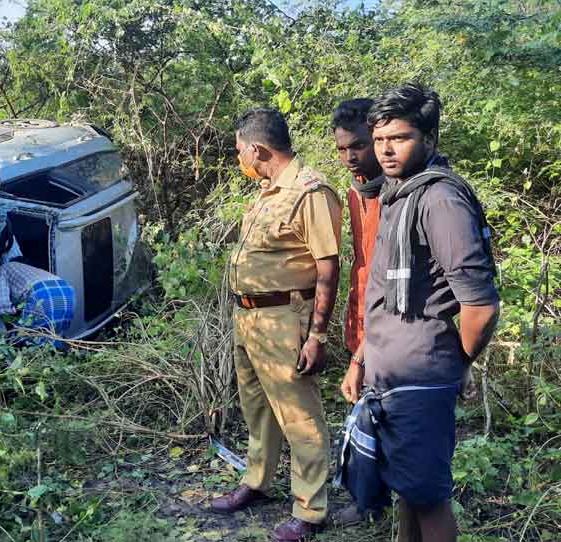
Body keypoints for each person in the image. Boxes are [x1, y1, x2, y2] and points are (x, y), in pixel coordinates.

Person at [337, 83, 499, 542]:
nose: (386, 150)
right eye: (380, 139)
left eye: (400, 138)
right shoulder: (398, 193)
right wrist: (362, 358)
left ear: (429, 138)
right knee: (408, 489)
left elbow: (480, 305)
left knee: (428, 498)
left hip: (420, 376)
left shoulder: (439, 200)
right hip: (389, 372)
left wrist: (459, 362)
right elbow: (386, 295)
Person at [210, 108, 342, 542]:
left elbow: (328, 266)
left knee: (299, 416)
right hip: (248, 319)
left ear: (257, 149)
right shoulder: (268, 192)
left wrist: (317, 334)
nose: (239, 158)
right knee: (258, 410)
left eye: (238, 151)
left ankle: (309, 510)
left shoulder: (311, 192)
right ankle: (257, 481)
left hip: (285, 319)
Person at [330, 98, 386, 526]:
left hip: (390, 326)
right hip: (362, 313)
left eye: (359, 146)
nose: (351, 156)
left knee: (387, 411)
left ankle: (381, 501)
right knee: (366, 411)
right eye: (343, 149)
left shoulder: (399, 192)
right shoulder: (356, 191)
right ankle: (370, 500)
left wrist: (362, 352)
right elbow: (362, 261)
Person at [0, 224, 75, 347]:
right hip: (68, 291)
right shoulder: (29, 270)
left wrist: (11, 331)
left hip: (41, 293)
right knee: (55, 336)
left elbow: (3, 305)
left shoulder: (3, 269)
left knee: (27, 341)